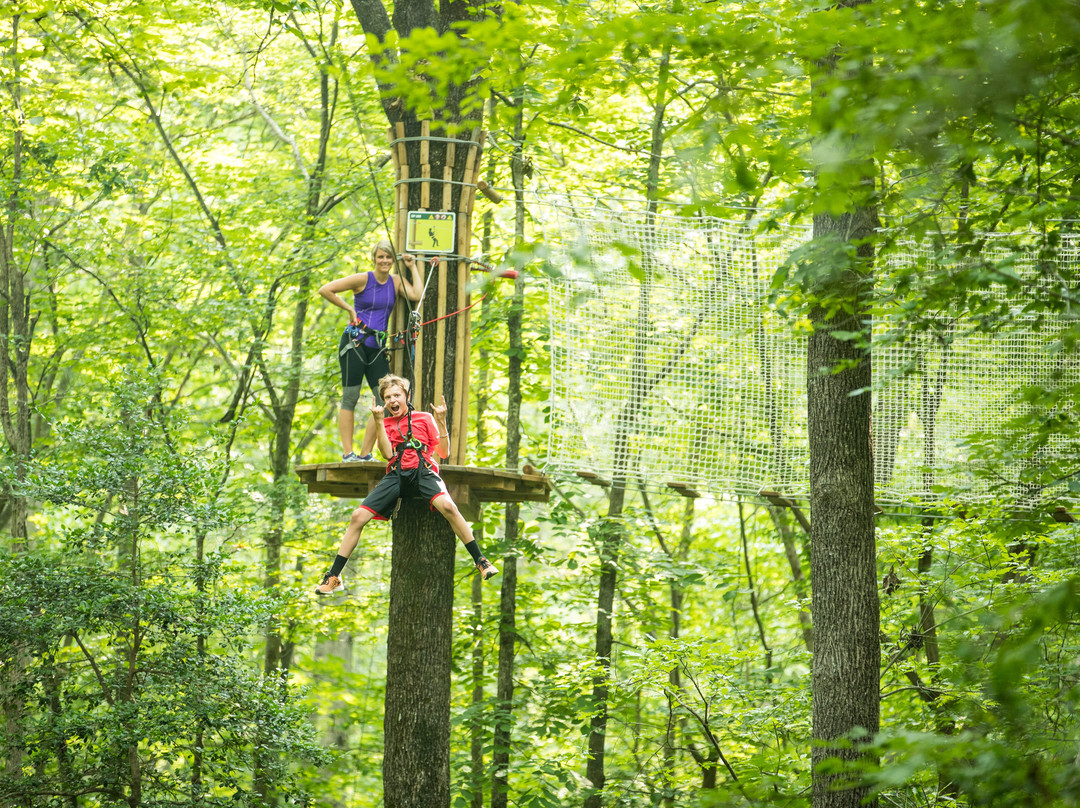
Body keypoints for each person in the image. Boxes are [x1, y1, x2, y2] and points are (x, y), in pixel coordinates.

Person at [314, 374, 498, 594]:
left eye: (397, 395)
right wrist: (379, 422)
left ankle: (481, 561)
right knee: (357, 517)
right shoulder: (384, 421)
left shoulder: (424, 418)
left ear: (406, 396)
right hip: (396, 472)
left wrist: (441, 422)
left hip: (423, 470)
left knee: (449, 507)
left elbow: (444, 452)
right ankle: (334, 576)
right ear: (384, 401)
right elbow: (386, 453)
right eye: (388, 397)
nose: (392, 400)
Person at [319, 240, 424, 461]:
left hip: (376, 347)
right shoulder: (362, 279)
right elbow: (326, 289)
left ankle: (365, 453)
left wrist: (412, 266)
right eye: (380, 257)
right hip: (354, 343)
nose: (385, 261)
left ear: (393, 260)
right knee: (350, 396)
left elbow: (416, 294)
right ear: (374, 258)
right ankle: (348, 453)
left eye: (388, 257)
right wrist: (349, 308)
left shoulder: (396, 282)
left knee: (386, 399)